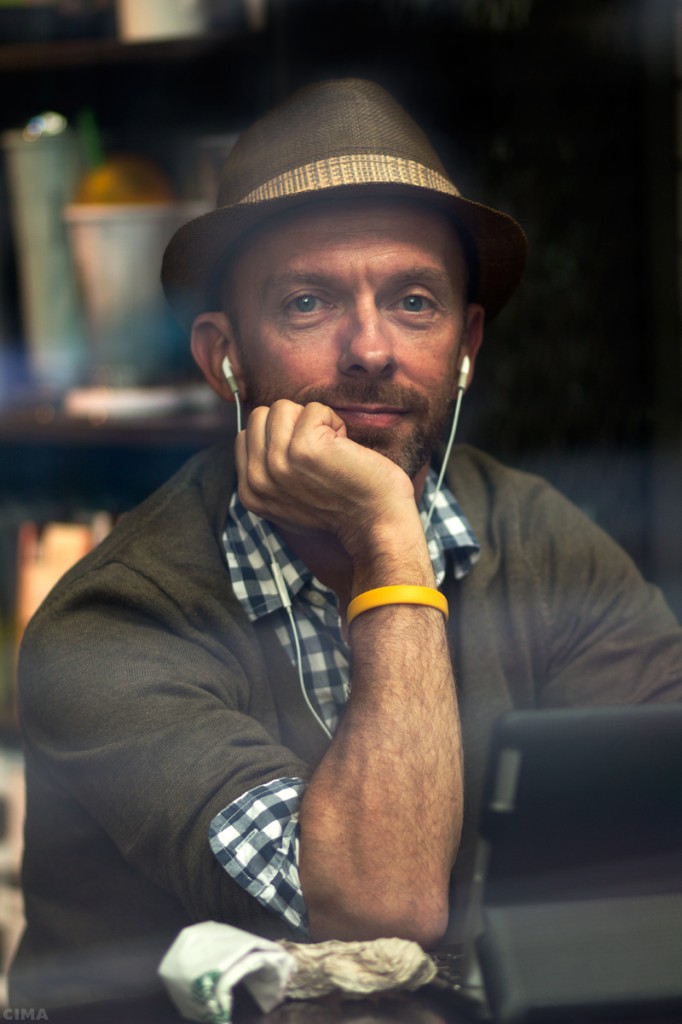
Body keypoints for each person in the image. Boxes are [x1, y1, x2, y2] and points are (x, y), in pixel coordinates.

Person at [10, 78, 682, 1009]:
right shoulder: (111, 626)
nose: (371, 350)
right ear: (224, 358)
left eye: (414, 301)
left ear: (465, 344)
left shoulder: (537, 535)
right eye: (309, 303)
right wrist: (387, 543)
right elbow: (382, 904)